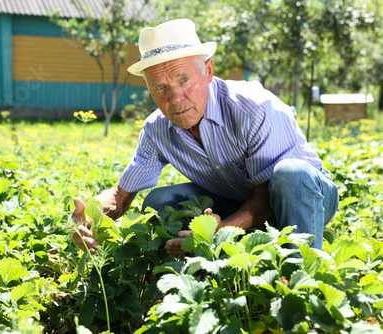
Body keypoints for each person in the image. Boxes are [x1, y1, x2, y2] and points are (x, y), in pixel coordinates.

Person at [71, 18, 339, 254]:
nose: (175, 98)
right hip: (236, 200)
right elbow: (120, 195)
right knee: (158, 202)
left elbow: (266, 193)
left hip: (304, 197)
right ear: (148, 87)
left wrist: (222, 231)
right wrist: (90, 218)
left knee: (290, 173)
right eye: (160, 86)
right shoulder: (157, 129)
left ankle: (300, 273)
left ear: (208, 71)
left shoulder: (254, 108)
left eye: (184, 79)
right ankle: (209, 252)